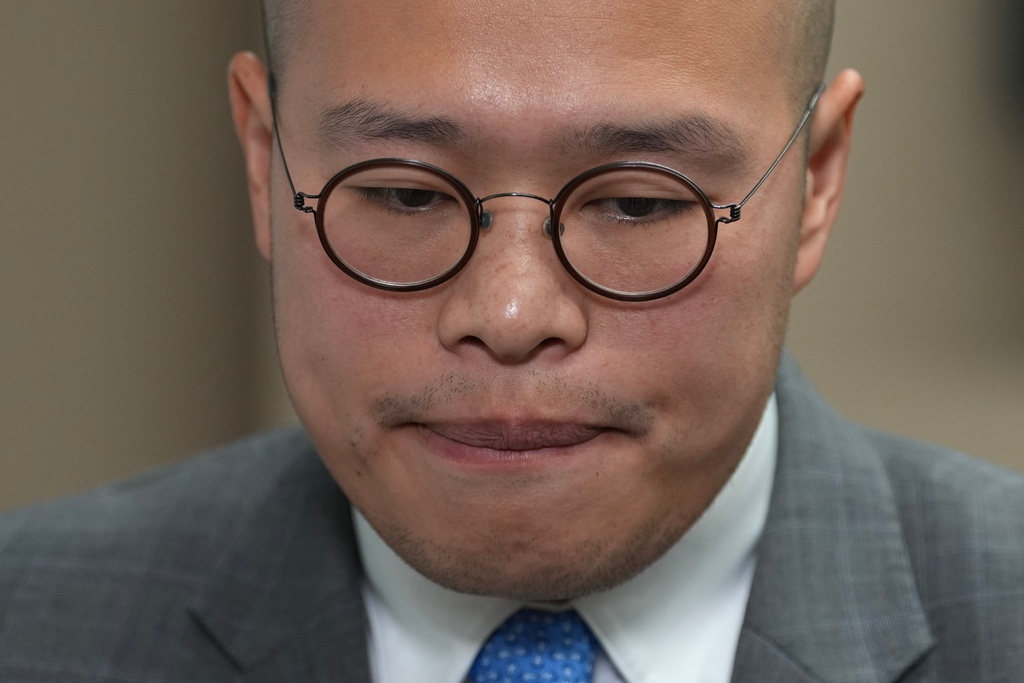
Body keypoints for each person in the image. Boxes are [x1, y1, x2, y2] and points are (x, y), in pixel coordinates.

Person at [0, 0, 1021, 681]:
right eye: (403, 193)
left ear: (817, 181)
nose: (513, 312)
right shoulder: (35, 624)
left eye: (633, 202)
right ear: (266, 162)